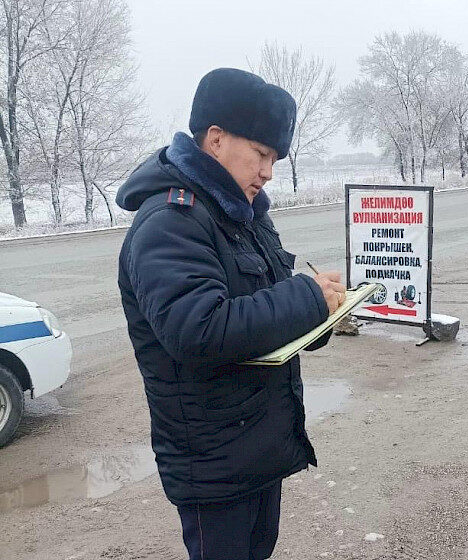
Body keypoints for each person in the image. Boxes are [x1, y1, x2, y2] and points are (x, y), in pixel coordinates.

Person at [116, 67, 345, 560]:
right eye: (261, 154)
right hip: (213, 463)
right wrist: (304, 299)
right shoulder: (171, 221)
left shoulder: (243, 216)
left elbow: (265, 313)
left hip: (257, 448)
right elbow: (199, 330)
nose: (268, 172)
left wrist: (320, 309)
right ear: (216, 140)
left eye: (274, 159)